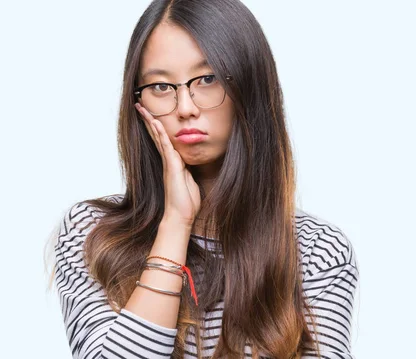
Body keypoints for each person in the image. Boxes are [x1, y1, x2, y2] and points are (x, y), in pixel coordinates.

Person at [47, 0, 359, 358]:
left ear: (249, 85)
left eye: (207, 79)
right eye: (161, 86)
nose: (184, 107)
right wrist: (175, 224)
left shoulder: (317, 252)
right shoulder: (92, 236)